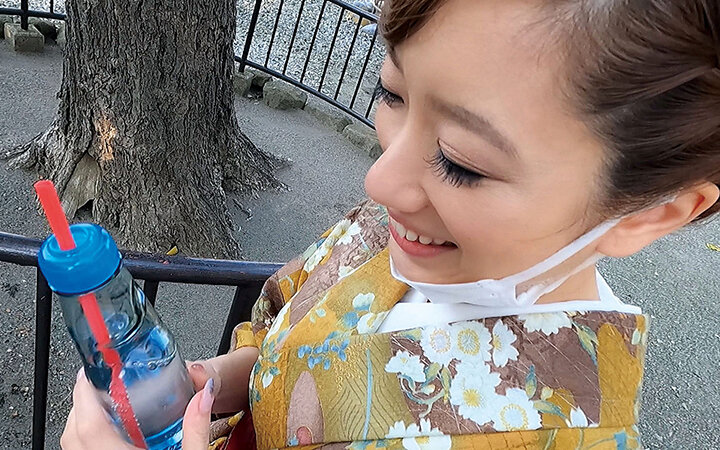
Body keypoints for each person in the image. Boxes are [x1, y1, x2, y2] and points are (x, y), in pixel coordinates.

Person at [62, 0, 720, 448]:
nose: (380, 181)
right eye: (392, 93)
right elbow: (284, 329)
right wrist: (217, 380)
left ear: (653, 212)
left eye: (461, 162)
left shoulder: (567, 432)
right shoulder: (404, 229)